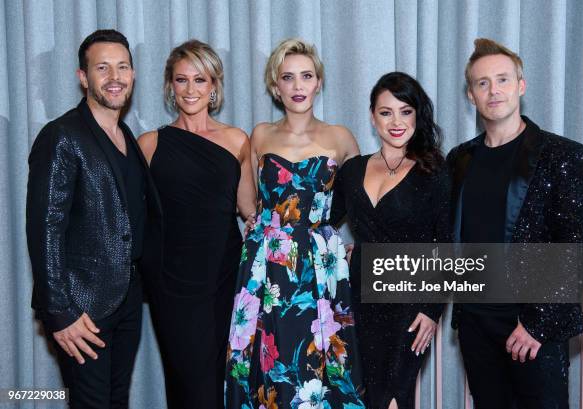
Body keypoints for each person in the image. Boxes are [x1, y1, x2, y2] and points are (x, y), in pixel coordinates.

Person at [447, 38, 583, 409]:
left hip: (532, 326)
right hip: (476, 323)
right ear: (471, 95)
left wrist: (537, 323)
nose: (493, 90)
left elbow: (578, 248)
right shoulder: (459, 159)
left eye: (502, 79)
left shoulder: (561, 154)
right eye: (482, 83)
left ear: (520, 86)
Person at [224, 38, 365, 408]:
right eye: (288, 77)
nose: (298, 86)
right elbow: (247, 203)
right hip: (267, 263)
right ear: (275, 86)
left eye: (306, 76)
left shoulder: (342, 138)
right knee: (270, 354)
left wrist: (337, 239)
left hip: (320, 264)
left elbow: (360, 203)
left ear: (318, 82)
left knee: (319, 354)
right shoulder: (259, 135)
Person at [26, 29, 162, 408]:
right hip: (82, 305)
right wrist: (60, 310)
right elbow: (45, 227)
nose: (114, 77)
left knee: (117, 399)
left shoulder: (126, 135)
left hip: (128, 297)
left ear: (133, 75)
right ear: (83, 77)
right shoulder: (62, 136)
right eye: (102, 68)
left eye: (122, 67)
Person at [137, 40, 256, 409]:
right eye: (181, 80)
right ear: (170, 86)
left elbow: (249, 211)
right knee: (188, 380)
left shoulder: (237, 140)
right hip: (171, 282)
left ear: (214, 85)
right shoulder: (150, 143)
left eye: (200, 80)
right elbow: (133, 213)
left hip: (223, 275)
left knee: (221, 380)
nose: (191, 90)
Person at [330, 72, 450, 409]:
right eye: (386, 112)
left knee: (395, 395)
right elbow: (321, 220)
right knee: (371, 394)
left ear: (417, 115)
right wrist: (270, 218)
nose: (396, 121)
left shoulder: (434, 171)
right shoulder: (352, 170)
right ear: (372, 116)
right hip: (362, 299)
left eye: (405, 111)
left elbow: (448, 244)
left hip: (411, 302)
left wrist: (431, 309)